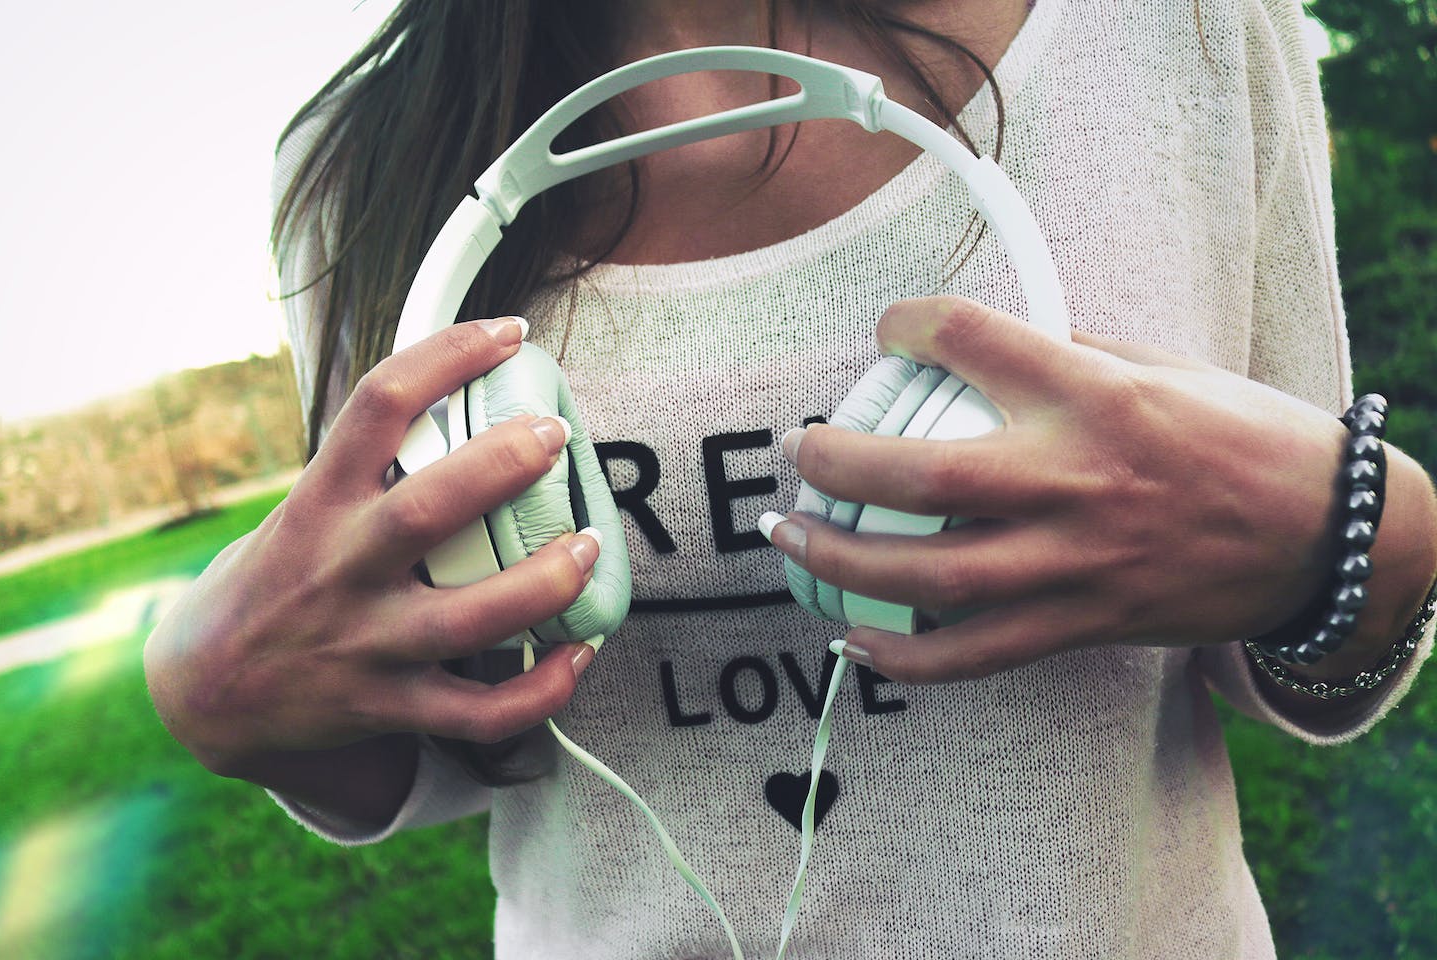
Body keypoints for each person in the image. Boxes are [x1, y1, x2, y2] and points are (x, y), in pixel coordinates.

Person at [144, 0, 1437, 956]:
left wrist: (1376, 540)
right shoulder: (353, 176)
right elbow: (440, 738)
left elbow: (1293, 655)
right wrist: (231, 695)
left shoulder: (1184, 34)